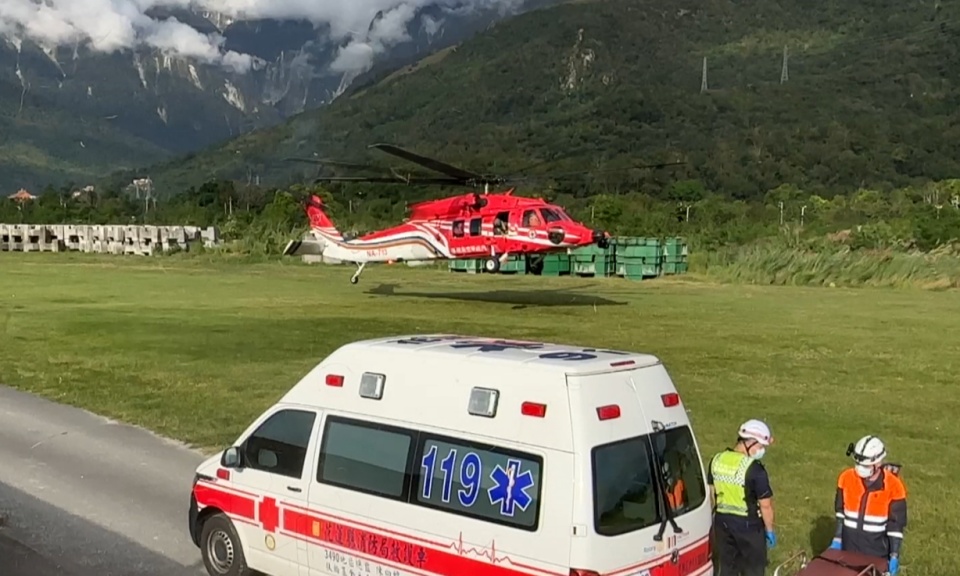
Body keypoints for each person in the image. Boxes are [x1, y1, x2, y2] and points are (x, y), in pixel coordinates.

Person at [830, 435, 907, 575]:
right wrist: (837, 538)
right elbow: (841, 513)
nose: (860, 469)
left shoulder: (894, 486)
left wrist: (894, 555)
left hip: (876, 554)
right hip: (847, 549)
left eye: (865, 466)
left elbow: (895, 525)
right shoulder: (846, 478)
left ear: (878, 463)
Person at [708, 419, 776, 576]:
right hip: (749, 527)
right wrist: (770, 530)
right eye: (761, 446)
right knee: (753, 571)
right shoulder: (755, 470)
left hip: (722, 524)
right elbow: (765, 505)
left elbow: (712, 494)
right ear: (750, 443)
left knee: (726, 568)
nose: (762, 451)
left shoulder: (717, 460)